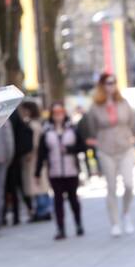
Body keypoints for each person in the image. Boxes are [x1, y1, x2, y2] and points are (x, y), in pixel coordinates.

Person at [84, 73, 135, 236]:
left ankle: (126, 214)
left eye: (113, 83)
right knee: (111, 186)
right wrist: (95, 142)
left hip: (125, 147)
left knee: (128, 184)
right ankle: (114, 222)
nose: (111, 86)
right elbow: (90, 128)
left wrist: (132, 137)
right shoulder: (95, 107)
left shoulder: (123, 103)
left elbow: (132, 122)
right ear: (102, 85)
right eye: (108, 83)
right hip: (106, 149)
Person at [36, 101, 85, 240]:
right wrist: (37, 173)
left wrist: (69, 150)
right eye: (55, 113)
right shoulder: (46, 131)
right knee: (57, 201)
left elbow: (82, 146)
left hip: (71, 171)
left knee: (73, 199)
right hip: (55, 172)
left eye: (61, 112)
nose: (58, 115)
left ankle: (78, 224)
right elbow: (41, 153)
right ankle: (61, 229)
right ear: (52, 115)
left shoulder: (72, 129)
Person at [20, 101, 53, 222]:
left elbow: (34, 143)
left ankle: (42, 210)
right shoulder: (38, 123)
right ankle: (45, 209)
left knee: (37, 184)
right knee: (40, 184)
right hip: (38, 158)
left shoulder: (32, 125)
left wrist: (29, 154)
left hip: (33, 159)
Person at [4, 106, 35, 225]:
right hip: (15, 155)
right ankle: (23, 211)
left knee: (9, 187)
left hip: (10, 156)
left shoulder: (8, 115)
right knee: (18, 185)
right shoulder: (15, 114)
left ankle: (9, 215)